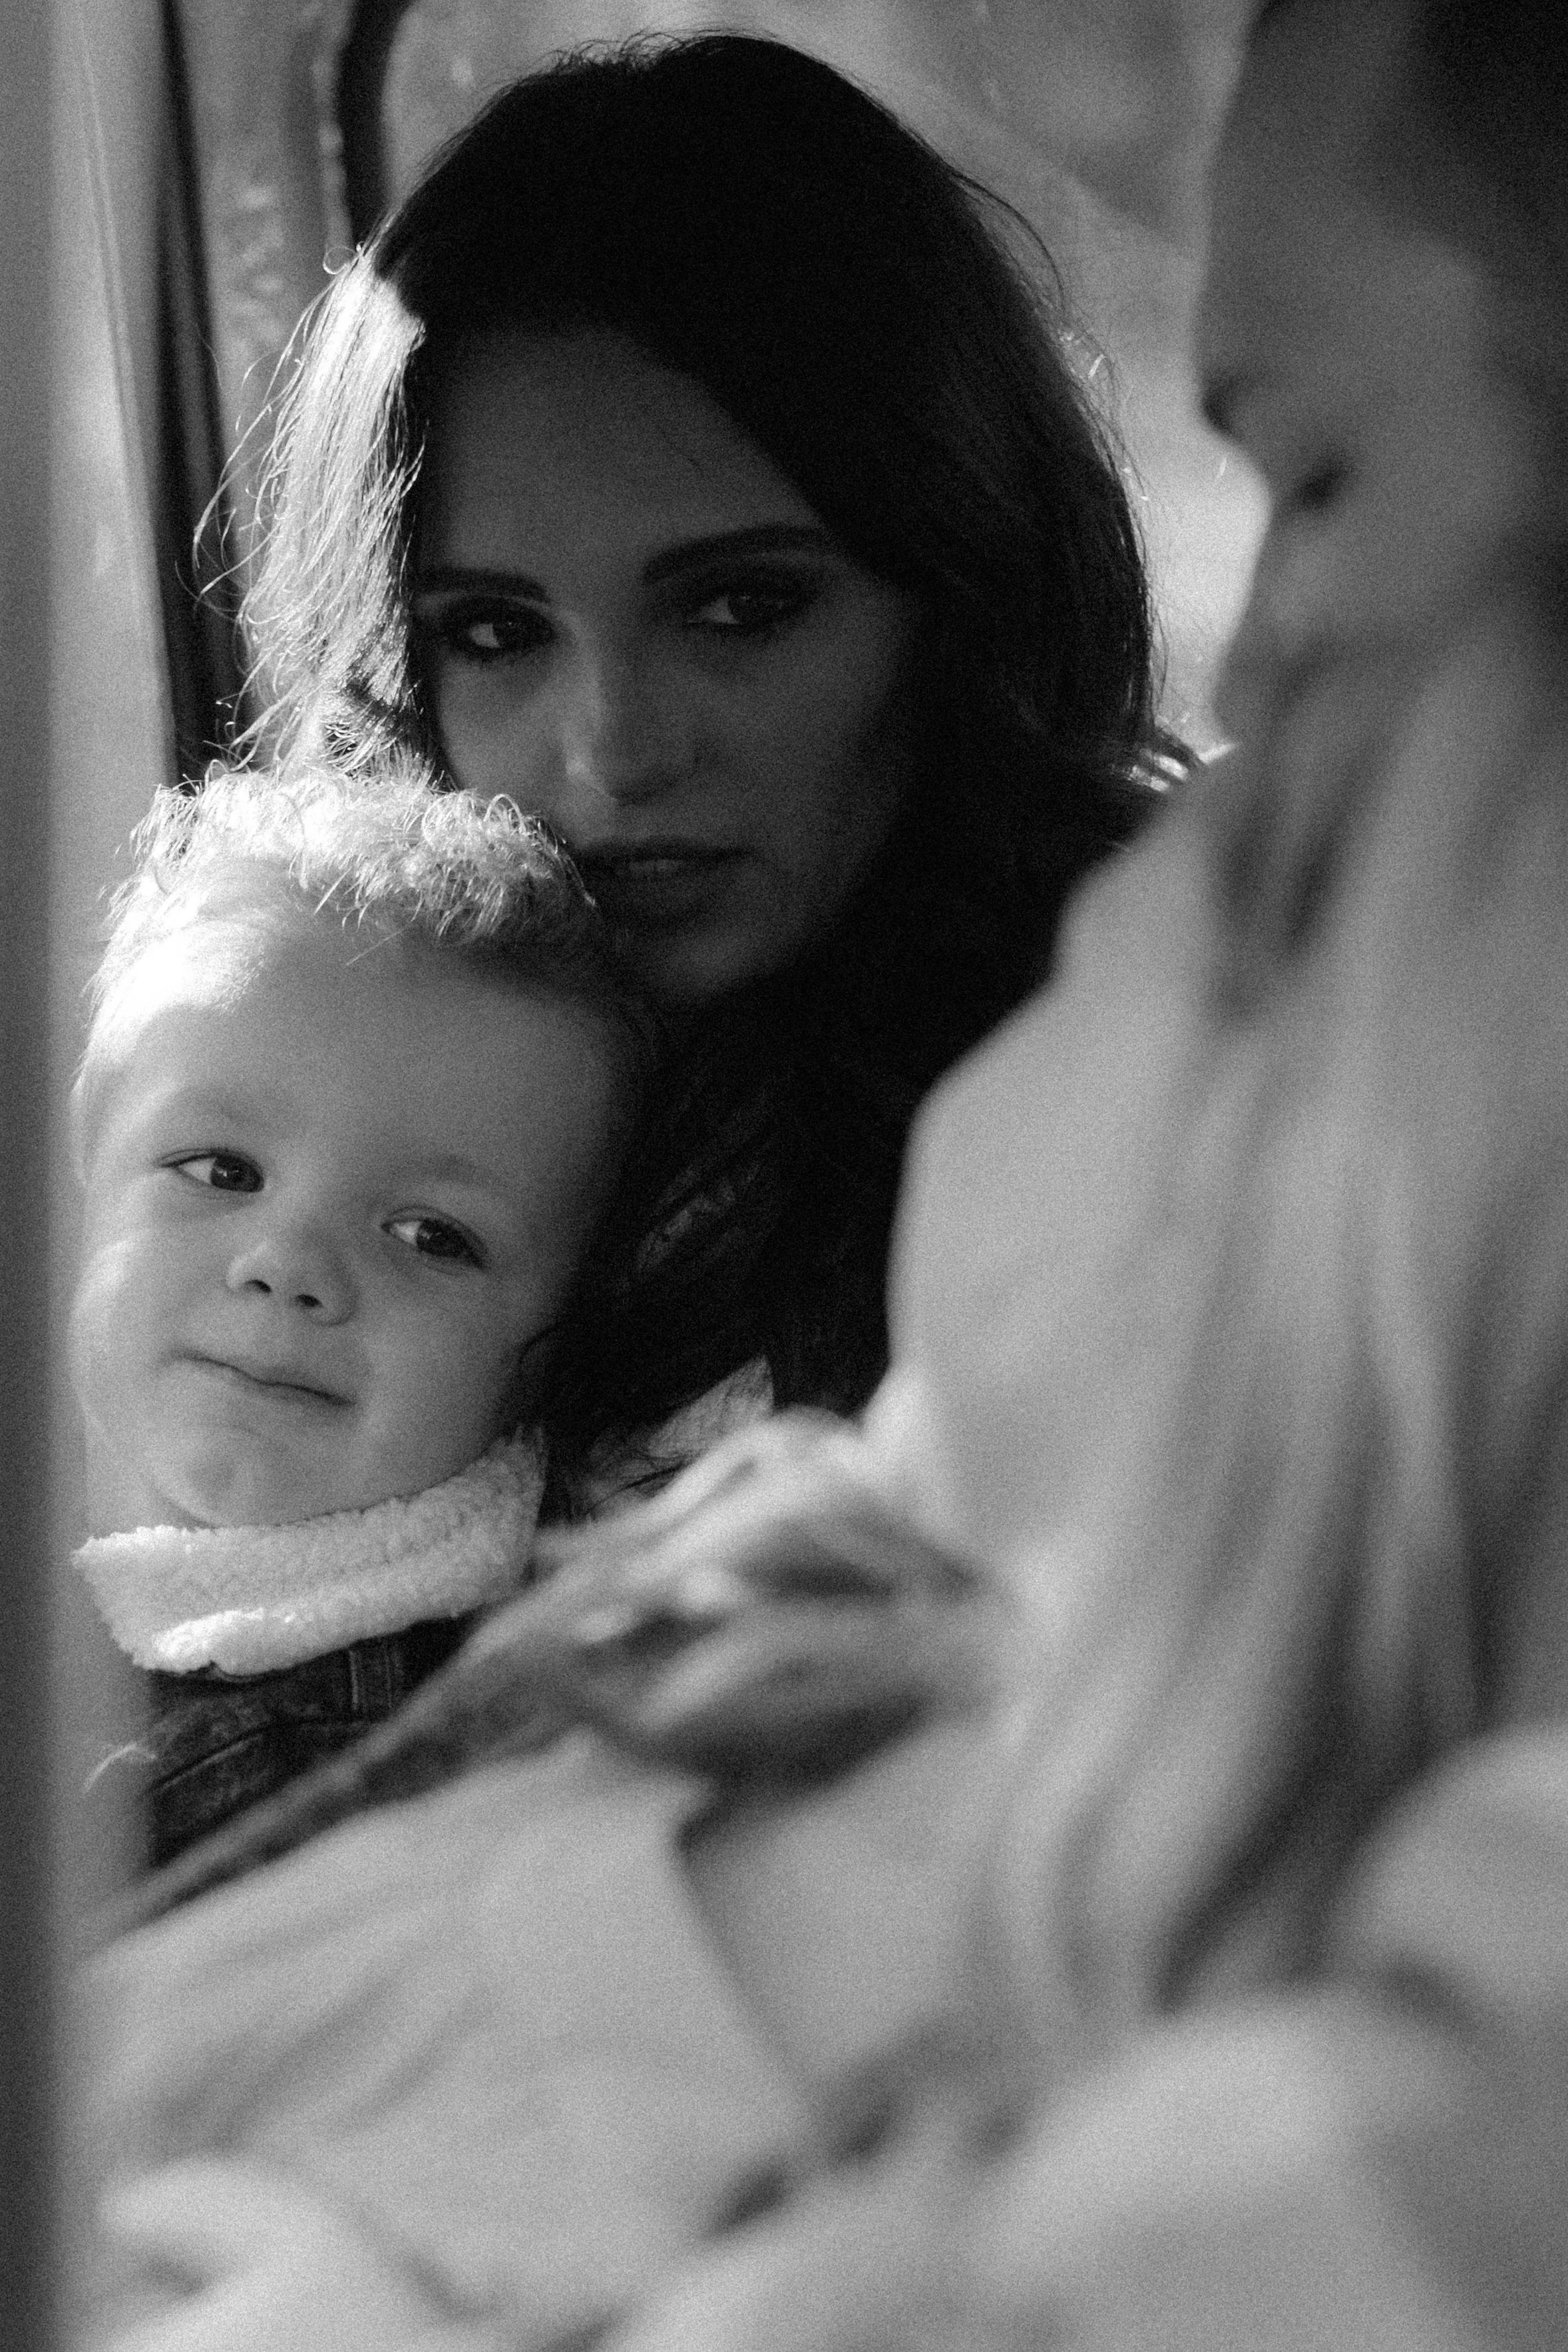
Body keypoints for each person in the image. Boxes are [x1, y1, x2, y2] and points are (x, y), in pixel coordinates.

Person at [240, 31, 1174, 1446]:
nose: (614, 754)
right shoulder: (280, 1095)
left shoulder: (1163, 1103)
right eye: (496, 633)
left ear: (958, 589)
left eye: (741, 607)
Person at [70, 758, 650, 1867]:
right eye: (221, 1169)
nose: (289, 1266)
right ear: (87, 1163)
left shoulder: (320, 1777)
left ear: (556, 1335)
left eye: (432, 1236)